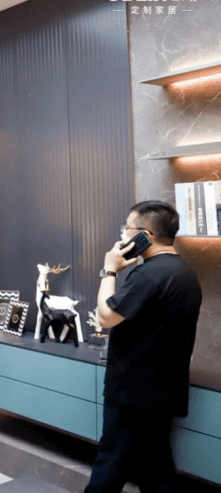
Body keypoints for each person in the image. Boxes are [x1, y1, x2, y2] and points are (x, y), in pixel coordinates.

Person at [84, 201, 202, 493]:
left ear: (145, 236)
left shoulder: (149, 274)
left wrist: (109, 270)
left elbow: (106, 317)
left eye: (127, 229)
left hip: (131, 394)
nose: (123, 236)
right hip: (165, 392)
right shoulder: (185, 272)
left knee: (110, 467)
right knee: (156, 469)